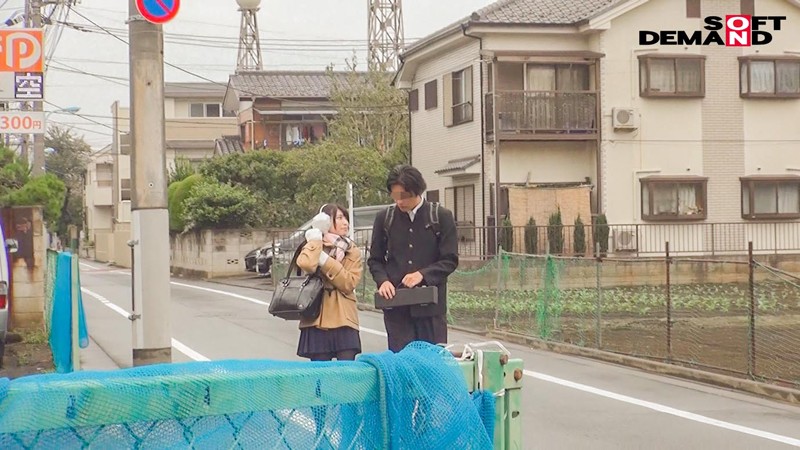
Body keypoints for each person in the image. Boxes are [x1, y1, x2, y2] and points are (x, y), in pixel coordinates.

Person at [368, 165, 459, 352]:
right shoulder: (385, 218)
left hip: (431, 308)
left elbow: (450, 260)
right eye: (395, 196)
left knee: (431, 360)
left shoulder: (440, 216)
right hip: (396, 308)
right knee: (401, 361)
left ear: (417, 191)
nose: (399, 201)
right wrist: (383, 281)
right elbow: (375, 259)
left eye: (404, 196)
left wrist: (423, 275)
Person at [295, 203, 363, 361]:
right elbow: (306, 264)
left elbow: (349, 282)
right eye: (339, 218)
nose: (345, 222)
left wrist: (325, 261)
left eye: (345, 218)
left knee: (346, 371)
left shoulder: (351, 249)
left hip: (344, 317)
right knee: (321, 373)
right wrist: (316, 240)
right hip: (317, 315)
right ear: (325, 221)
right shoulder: (313, 243)